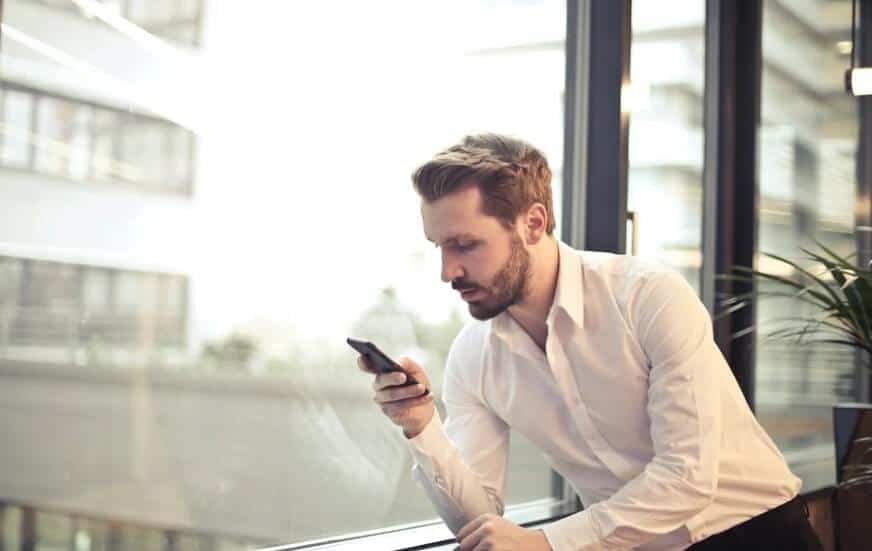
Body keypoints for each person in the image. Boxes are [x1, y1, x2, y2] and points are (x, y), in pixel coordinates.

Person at [356, 134, 824, 550]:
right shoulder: (473, 356)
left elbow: (687, 477)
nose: (447, 272)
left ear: (533, 223)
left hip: (759, 536)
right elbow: (482, 523)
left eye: (466, 245)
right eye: (439, 246)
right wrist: (420, 426)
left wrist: (549, 541)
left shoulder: (647, 295)